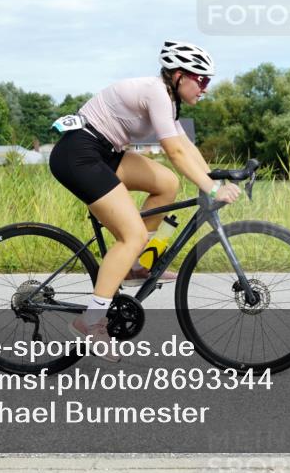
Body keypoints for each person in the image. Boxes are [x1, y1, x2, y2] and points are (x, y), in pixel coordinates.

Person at [49, 40, 241, 361]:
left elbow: (186, 146)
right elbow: (174, 151)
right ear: (179, 75)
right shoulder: (155, 92)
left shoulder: (167, 100)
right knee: (132, 234)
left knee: (167, 183)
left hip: (105, 153)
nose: (205, 88)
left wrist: (214, 178)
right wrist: (209, 189)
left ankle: (139, 263)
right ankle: (91, 322)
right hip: (79, 154)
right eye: (202, 80)